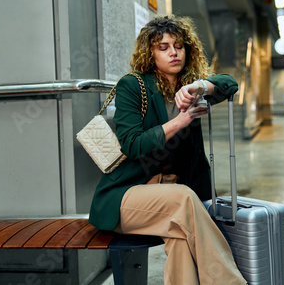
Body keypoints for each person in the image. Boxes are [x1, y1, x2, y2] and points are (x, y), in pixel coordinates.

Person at [89, 15, 247, 285]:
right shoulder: (133, 86)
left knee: (181, 238)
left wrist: (200, 85)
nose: (173, 52)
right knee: (184, 199)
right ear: (150, 53)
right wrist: (181, 120)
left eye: (179, 46)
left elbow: (229, 83)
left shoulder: (191, 88)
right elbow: (132, 144)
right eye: (163, 47)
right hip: (128, 195)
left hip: (172, 198)